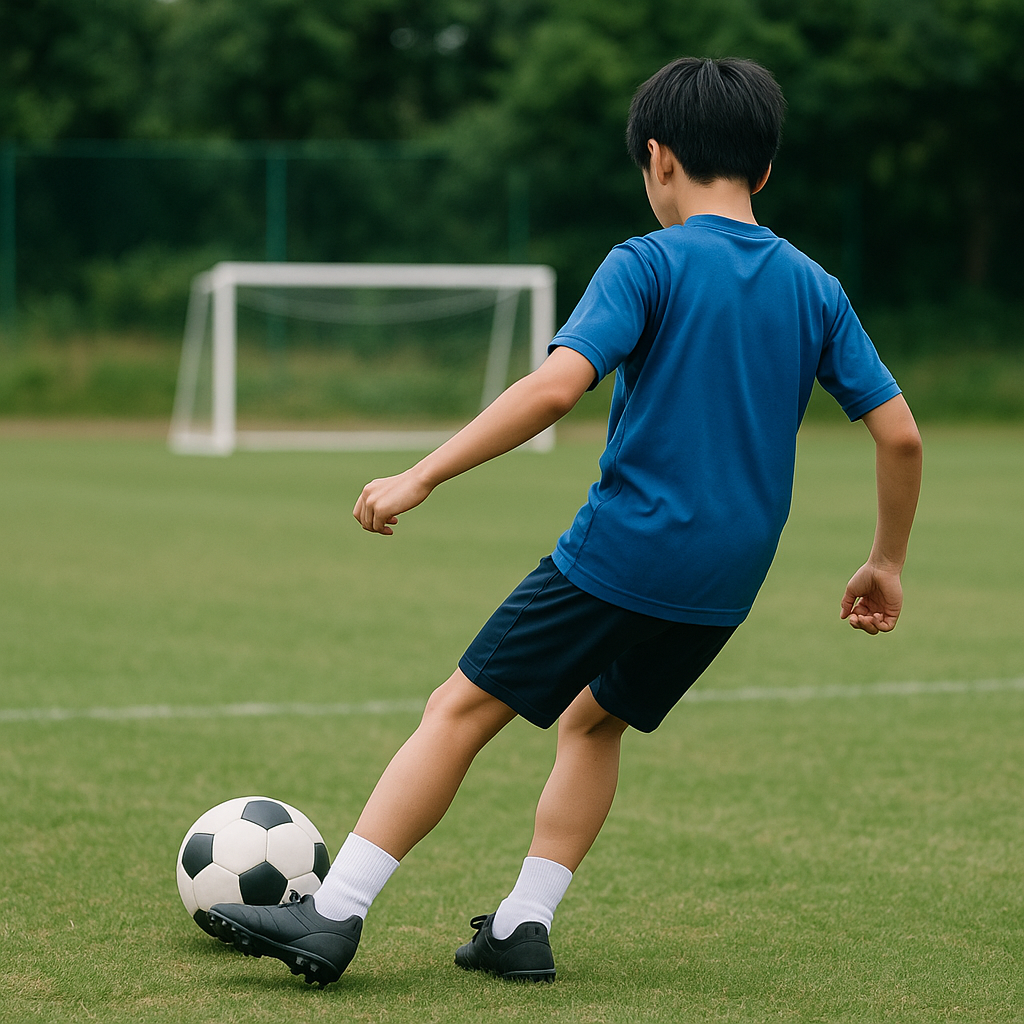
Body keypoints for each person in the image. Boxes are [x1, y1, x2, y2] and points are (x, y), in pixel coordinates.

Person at [208, 56, 923, 987]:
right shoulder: (815, 286)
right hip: (726, 579)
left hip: (627, 547)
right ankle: (522, 926)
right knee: (593, 723)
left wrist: (423, 473)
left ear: (658, 159)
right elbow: (900, 436)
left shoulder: (647, 261)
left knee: (459, 710)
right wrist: (885, 562)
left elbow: (555, 389)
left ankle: (332, 913)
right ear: (765, 168)